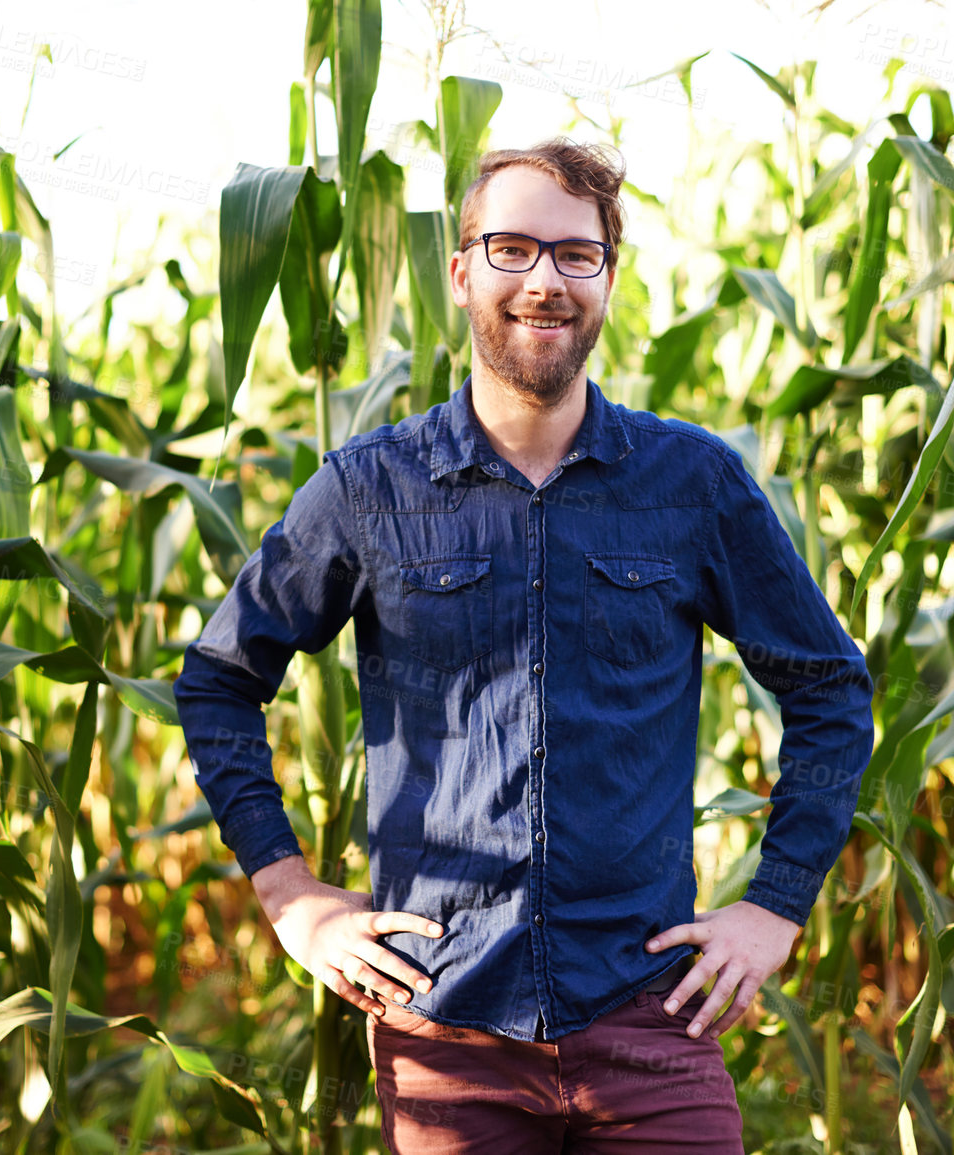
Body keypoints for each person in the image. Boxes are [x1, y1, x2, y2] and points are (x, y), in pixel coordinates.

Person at [173, 136, 875, 1152]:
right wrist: (289, 894)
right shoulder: (371, 489)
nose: (544, 281)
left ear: (608, 279)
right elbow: (222, 677)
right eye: (512, 248)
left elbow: (827, 686)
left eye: (575, 255)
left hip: (647, 1013)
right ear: (461, 272)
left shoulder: (694, 486)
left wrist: (776, 906)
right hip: (447, 1025)